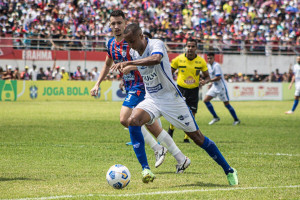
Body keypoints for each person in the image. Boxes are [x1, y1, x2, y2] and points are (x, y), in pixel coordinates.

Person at [111, 23, 238, 186]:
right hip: (152, 98)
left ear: (141, 36)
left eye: (132, 41)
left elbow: (156, 59)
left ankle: (229, 170)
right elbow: (142, 64)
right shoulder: (134, 51)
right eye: (127, 42)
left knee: (198, 138)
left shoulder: (157, 44)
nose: (130, 45)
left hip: (172, 100)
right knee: (133, 121)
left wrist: (130, 64)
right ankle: (146, 169)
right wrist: (132, 67)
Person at [90, 10, 188, 183]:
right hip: (130, 86)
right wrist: (97, 83)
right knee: (151, 125)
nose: (116, 26)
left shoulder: (132, 41)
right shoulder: (111, 44)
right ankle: (180, 158)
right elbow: (107, 65)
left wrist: (131, 67)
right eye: (113, 23)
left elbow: (147, 61)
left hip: (143, 85)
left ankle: (158, 149)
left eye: (119, 23)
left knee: (125, 119)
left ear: (125, 23)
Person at [167, 38, 210, 143]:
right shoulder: (178, 59)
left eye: (192, 46)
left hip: (194, 90)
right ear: (185, 47)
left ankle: (186, 138)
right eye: (189, 46)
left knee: (192, 114)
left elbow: (207, 77)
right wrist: (170, 84)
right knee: (177, 112)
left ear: (196, 48)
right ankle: (171, 130)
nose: (190, 48)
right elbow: (169, 73)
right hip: (181, 89)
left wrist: (205, 81)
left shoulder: (201, 61)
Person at [203, 53, 241, 126]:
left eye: (210, 58)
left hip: (221, 87)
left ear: (214, 58)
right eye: (208, 58)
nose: (209, 60)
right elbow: (212, 76)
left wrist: (208, 81)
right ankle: (215, 117)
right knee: (205, 100)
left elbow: (218, 77)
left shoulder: (216, 65)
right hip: (214, 86)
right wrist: (211, 84)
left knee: (226, 104)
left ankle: (236, 119)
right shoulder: (208, 66)